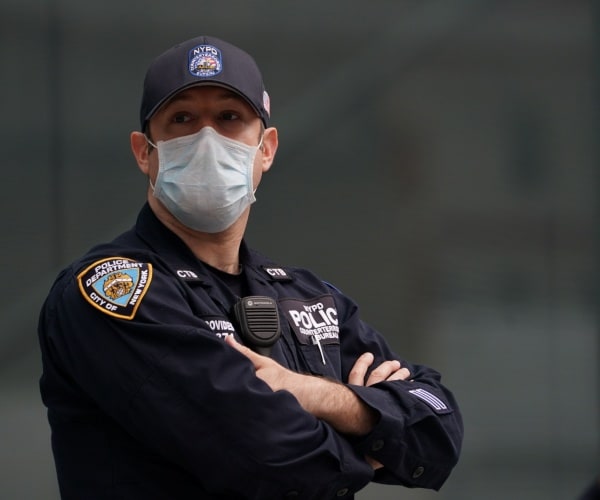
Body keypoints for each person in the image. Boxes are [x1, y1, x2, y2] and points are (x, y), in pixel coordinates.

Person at [38, 35, 463, 499]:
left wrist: (317, 396)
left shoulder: (305, 296)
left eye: (229, 118)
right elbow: (272, 462)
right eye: (181, 118)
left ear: (266, 149)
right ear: (145, 151)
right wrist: (371, 441)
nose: (207, 138)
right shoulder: (109, 291)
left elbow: (439, 428)